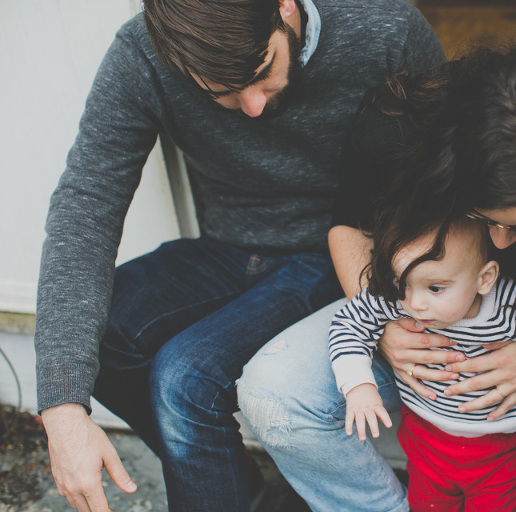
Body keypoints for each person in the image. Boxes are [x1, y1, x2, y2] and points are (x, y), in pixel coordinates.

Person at [237, 38, 516, 511]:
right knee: (272, 395)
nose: (500, 242)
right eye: (483, 217)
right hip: (423, 317)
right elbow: (350, 226)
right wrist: (385, 325)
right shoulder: (401, 130)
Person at [34, 0, 444, 511]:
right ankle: (228, 480)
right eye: (221, 92)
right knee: (101, 333)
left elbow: (451, 164)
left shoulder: (386, 26)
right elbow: (86, 205)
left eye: (260, 71)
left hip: (337, 250)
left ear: (285, 6)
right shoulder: (144, 52)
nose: (252, 106)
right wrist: (61, 406)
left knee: (184, 376)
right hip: (228, 246)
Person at [329, 214, 516, 511]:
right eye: (403, 284)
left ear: (484, 278)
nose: (415, 303)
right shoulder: (397, 296)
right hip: (424, 437)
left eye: (436, 288)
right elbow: (348, 325)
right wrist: (358, 385)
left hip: (494, 451)